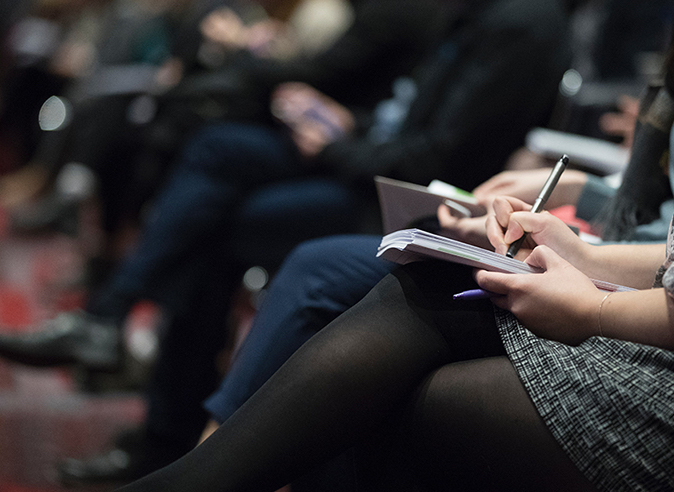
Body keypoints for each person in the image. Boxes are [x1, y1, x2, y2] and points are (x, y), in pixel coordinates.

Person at [113, 0, 674, 490]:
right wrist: (582, 252)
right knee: (400, 272)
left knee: (379, 353)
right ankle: (177, 442)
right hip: (662, 287)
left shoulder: (523, 22)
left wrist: (592, 294)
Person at [0, 0, 574, 485]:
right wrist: (342, 122)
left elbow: (434, 159)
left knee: (230, 221)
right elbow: (399, 113)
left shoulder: (517, 23)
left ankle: (184, 443)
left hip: (420, 202)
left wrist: (331, 143)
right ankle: (168, 419)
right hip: (371, 164)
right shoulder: (468, 12)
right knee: (213, 154)